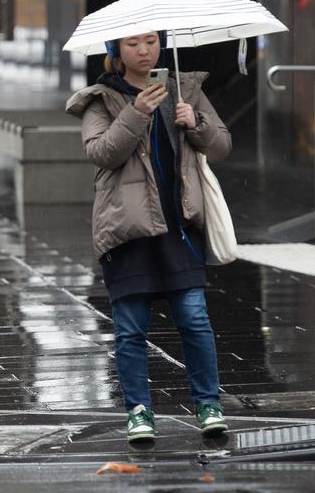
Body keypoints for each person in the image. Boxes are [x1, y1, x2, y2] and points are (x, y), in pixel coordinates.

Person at [65, 32, 231, 443]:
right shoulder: (99, 99)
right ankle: (139, 411)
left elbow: (223, 146)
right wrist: (136, 112)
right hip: (127, 229)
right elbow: (101, 153)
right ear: (115, 51)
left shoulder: (186, 89)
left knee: (194, 318)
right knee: (131, 327)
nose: (144, 51)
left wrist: (196, 123)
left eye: (152, 42)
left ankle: (208, 403)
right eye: (133, 44)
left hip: (179, 225)